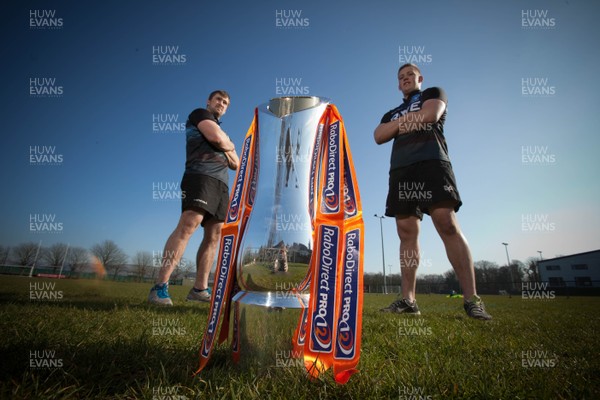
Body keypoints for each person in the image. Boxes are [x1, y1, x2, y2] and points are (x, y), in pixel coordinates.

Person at [374, 64, 491, 320]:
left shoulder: (433, 92)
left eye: (409, 76)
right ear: (397, 84)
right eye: (401, 77)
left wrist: (398, 126)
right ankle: (408, 300)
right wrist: (405, 122)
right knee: (406, 232)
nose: (405, 79)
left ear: (420, 78)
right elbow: (379, 135)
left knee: (446, 223)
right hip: (402, 171)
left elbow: (430, 116)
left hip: (432, 163)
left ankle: (472, 300)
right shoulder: (390, 112)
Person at [148, 90, 239, 306]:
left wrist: (227, 145)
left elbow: (235, 163)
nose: (221, 104)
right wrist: (226, 144)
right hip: (200, 176)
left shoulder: (222, 130)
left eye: (225, 102)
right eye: (218, 99)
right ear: (209, 102)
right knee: (189, 224)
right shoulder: (199, 114)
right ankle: (160, 286)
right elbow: (216, 138)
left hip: (221, 184)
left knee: (215, 234)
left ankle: (199, 289)